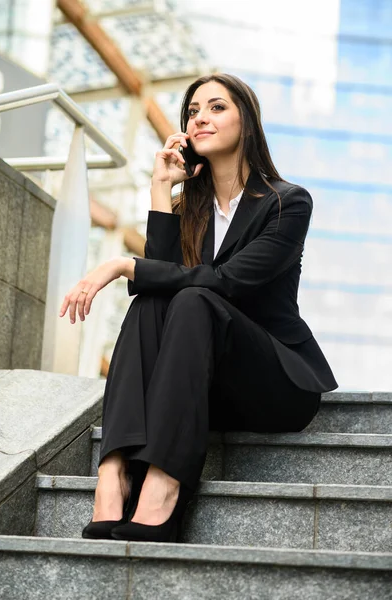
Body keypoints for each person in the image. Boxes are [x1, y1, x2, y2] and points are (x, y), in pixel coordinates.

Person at [59, 73, 338, 544]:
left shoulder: (287, 203)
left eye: (216, 107)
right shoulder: (194, 208)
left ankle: (164, 489)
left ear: (246, 122)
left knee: (193, 296)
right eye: (192, 111)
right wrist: (160, 189)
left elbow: (227, 282)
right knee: (156, 299)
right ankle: (112, 478)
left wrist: (122, 264)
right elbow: (160, 289)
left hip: (272, 382)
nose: (200, 118)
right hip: (199, 392)